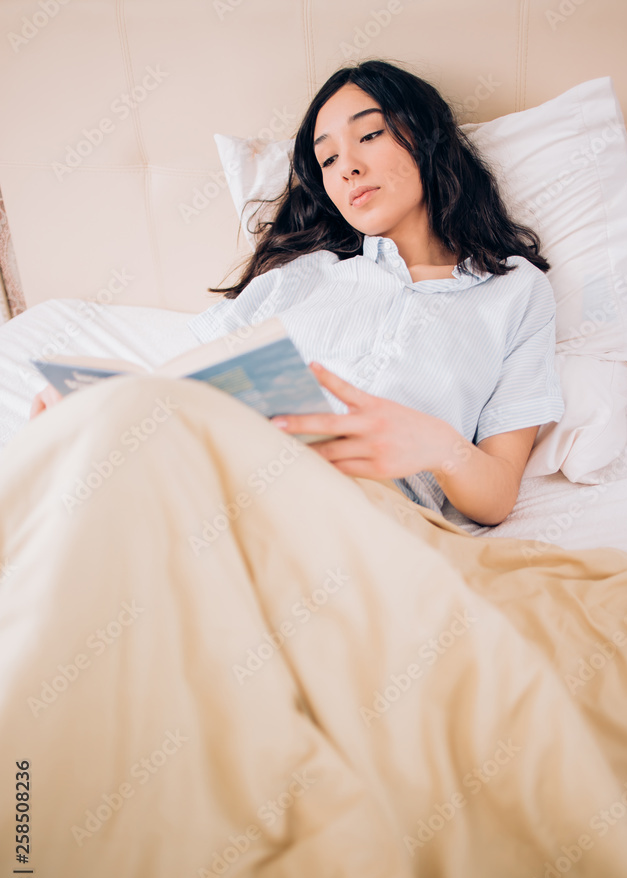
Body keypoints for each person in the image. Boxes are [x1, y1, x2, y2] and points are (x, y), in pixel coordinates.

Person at [30, 58, 565, 527]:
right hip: (227, 478)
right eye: (327, 160)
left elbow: (496, 498)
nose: (347, 166)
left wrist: (439, 446)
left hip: (366, 514)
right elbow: (185, 389)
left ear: (426, 137)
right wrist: (96, 412)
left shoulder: (516, 293)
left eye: (370, 135)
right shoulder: (301, 276)